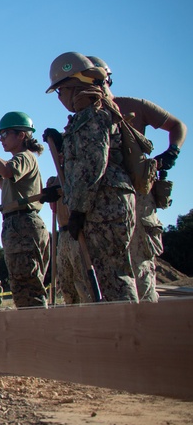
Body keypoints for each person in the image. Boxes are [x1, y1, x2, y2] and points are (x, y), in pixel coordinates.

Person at [92, 55, 187, 302]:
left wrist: (171, 152)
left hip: (138, 196)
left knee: (141, 271)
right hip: (106, 205)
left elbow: (178, 126)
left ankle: (146, 335)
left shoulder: (132, 106)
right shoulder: (85, 118)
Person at [45, 52, 138, 302]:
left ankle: (127, 333)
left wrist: (78, 210)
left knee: (111, 279)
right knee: (107, 278)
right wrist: (62, 144)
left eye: (59, 91)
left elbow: (92, 165)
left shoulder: (92, 114)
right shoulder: (88, 116)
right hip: (102, 203)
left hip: (103, 205)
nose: (60, 98)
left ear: (72, 86)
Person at [0, 112, 49, 308]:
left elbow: (7, 171)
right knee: (20, 285)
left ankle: (39, 329)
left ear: (21, 135)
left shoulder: (25, 157)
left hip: (24, 224)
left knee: (28, 284)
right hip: (15, 224)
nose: (1, 140)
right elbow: (10, 185)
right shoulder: (17, 161)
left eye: (5, 135)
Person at [43, 133, 94, 305]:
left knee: (82, 281)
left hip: (77, 231)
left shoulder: (76, 172)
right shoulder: (56, 177)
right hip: (62, 232)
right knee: (65, 282)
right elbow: (53, 208)